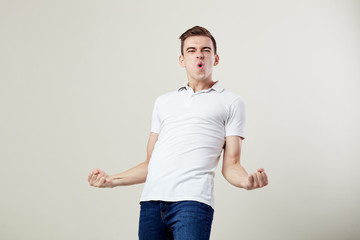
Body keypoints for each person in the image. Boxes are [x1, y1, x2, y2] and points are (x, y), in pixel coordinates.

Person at [88, 25, 268, 240]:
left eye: (206, 50)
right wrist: (111, 180)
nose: (199, 54)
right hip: (151, 203)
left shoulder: (231, 102)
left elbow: (232, 164)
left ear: (216, 59)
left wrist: (246, 181)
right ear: (182, 60)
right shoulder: (163, 102)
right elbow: (150, 163)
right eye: (191, 50)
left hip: (192, 203)